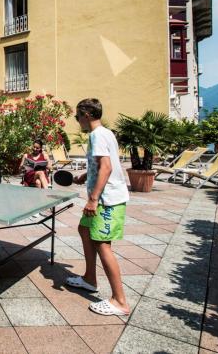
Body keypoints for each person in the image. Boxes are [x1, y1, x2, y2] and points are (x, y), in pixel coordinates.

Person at [65, 98, 130, 316]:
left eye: (77, 116)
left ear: (87, 114)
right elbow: (102, 164)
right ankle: (89, 279)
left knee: (103, 245)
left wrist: (93, 199)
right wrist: (85, 175)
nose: (77, 121)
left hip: (107, 199)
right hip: (102, 195)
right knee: (84, 230)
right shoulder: (106, 133)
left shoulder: (97, 135)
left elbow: (107, 167)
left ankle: (119, 301)